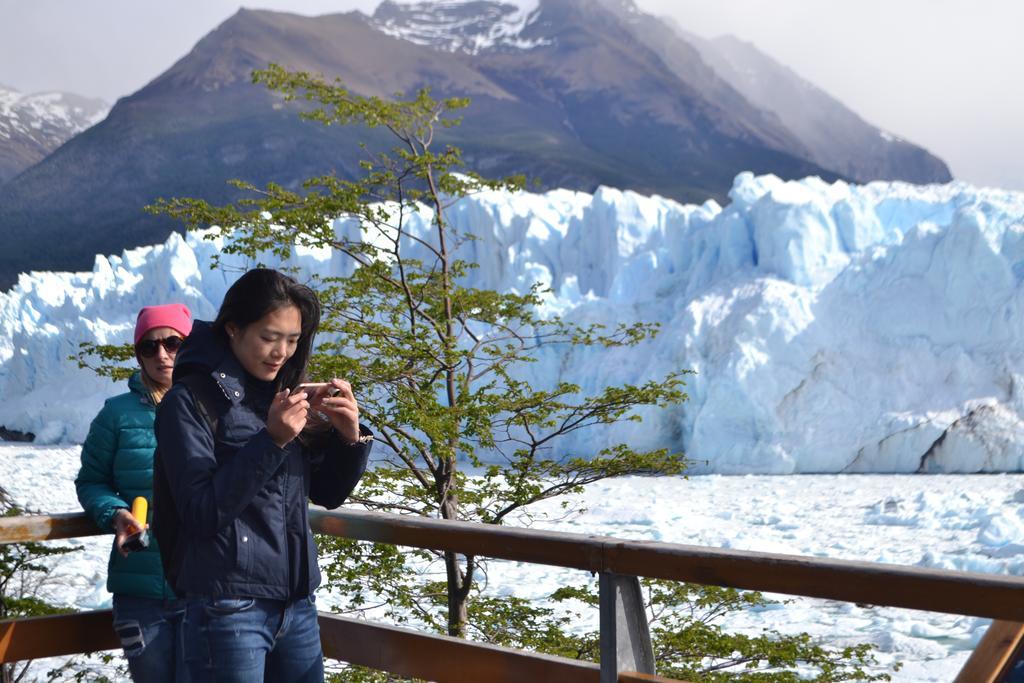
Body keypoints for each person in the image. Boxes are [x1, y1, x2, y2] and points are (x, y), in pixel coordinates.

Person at [154, 268, 372, 683]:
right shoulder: (190, 402)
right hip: (227, 607)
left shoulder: (281, 397)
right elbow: (200, 512)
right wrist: (271, 441)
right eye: (269, 337)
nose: (281, 352)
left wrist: (349, 438)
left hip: (297, 604)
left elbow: (327, 494)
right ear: (233, 329)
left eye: (292, 340)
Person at [76, 303, 194, 682]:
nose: (162, 354)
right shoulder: (116, 415)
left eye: (173, 343)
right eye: (149, 346)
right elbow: (91, 481)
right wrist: (115, 512)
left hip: (207, 588)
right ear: (138, 354)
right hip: (142, 593)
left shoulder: (216, 406)